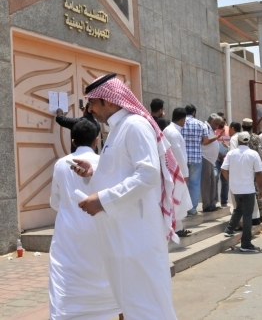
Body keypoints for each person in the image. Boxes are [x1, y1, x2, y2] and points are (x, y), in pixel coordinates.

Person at [72, 73, 189, 319]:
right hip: (123, 234)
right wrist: (94, 171)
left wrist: (102, 200)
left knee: (147, 305)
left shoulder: (134, 126)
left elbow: (147, 175)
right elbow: (122, 171)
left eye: (92, 102)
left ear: (108, 100)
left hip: (136, 235)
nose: (90, 109)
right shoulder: (118, 129)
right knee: (131, 303)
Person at [49, 120, 121, 320]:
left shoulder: (61, 164)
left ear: (73, 141)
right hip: (101, 230)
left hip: (69, 234)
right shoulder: (105, 163)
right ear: (96, 140)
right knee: (107, 276)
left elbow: (55, 201)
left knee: (65, 279)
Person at [222, 132, 262, 253]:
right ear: (248, 141)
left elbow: (223, 169)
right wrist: (261, 189)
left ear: (238, 141)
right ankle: (245, 243)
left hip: (235, 189)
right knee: (247, 215)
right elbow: (259, 173)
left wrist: (230, 180)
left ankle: (229, 229)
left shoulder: (231, 153)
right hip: (248, 189)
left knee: (239, 208)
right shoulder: (253, 154)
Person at [164, 107, 191, 237]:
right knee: (177, 200)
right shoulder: (173, 132)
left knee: (176, 200)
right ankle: (176, 229)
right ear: (182, 119)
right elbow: (178, 154)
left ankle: (179, 227)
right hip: (176, 172)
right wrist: (184, 173)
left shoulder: (169, 130)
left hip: (172, 171)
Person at [182, 104, 209, 215]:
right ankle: (192, 209)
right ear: (194, 112)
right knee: (194, 184)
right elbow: (205, 141)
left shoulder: (180, 123)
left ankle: (182, 210)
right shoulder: (201, 124)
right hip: (196, 158)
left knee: (182, 184)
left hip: (182, 157)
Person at [242, 118, 262, 223]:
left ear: (242, 126)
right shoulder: (256, 137)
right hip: (255, 165)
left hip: (244, 167)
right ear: (251, 127)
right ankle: (260, 216)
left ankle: (250, 216)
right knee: (257, 191)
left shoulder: (240, 137)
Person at [201, 114, 224, 212]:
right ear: (210, 121)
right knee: (206, 183)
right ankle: (206, 205)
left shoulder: (211, 129)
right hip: (205, 158)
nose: (217, 126)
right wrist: (217, 137)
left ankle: (212, 204)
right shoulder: (205, 127)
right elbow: (205, 142)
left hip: (211, 160)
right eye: (216, 124)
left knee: (212, 182)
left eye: (218, 124)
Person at [215, 112, 230, 207]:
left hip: (226, 159)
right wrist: (218, 155)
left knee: (225, 181)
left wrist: (226, 155)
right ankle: (214, 201)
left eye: (225, 119)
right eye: (222, 119)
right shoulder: (214, 130)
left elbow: (231, 144)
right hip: (216, 158)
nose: (224, 121)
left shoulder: (228, 129)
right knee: (215, 177)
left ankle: (224, 201)